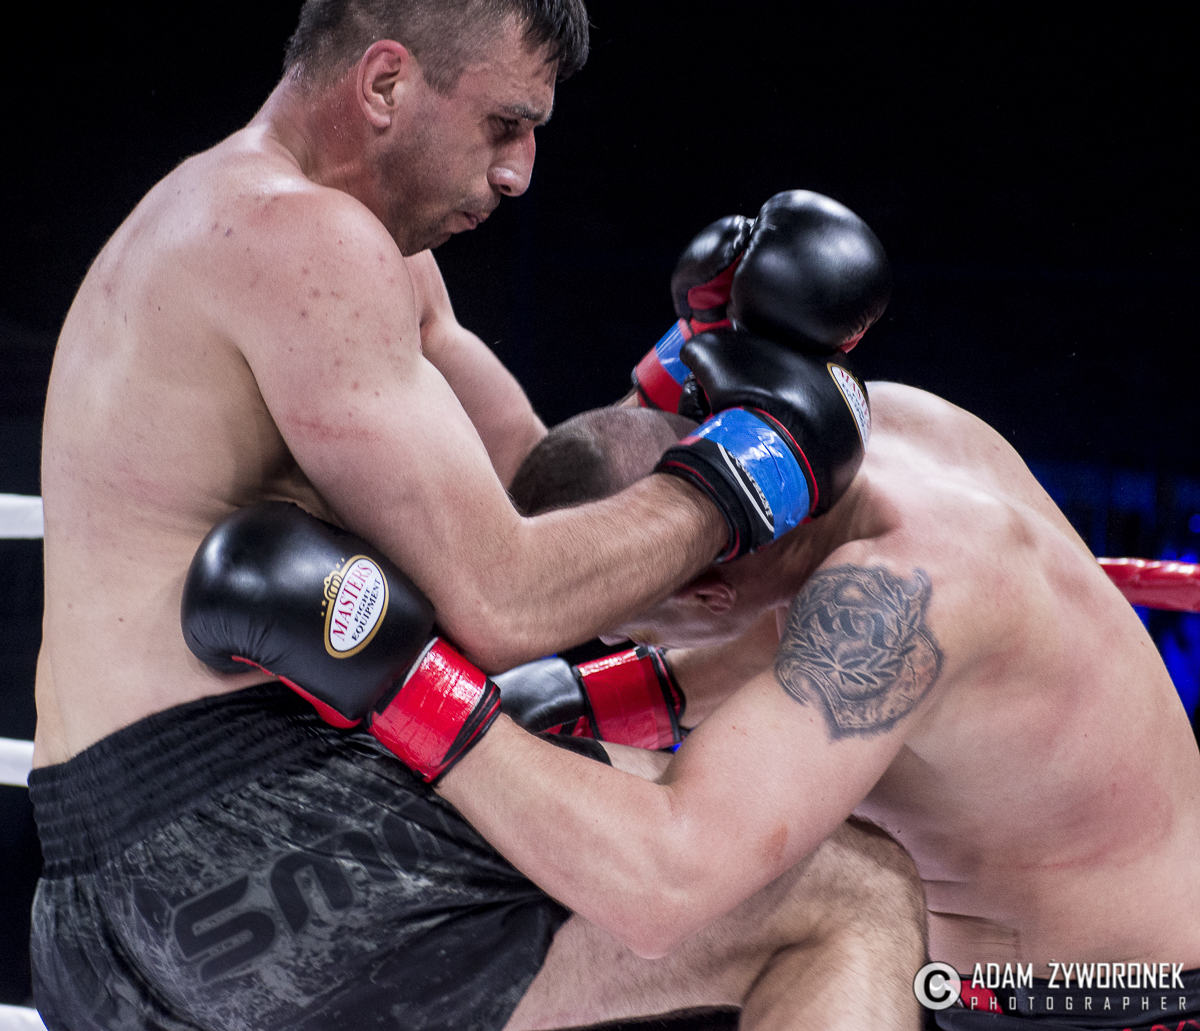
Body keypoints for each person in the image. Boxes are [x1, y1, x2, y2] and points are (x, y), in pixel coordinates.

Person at [27, 0, 923, 1028]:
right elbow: (505, 602)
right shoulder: (302, 239)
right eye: (505, 125)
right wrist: (759, 466)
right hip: (258, 841)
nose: (519, 174)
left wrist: (692, 370)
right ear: (386, 82)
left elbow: (546, 485)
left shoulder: (279, 233)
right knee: (850, 896)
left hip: (96, 906)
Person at [313, 386, 1200, 1029]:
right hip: (985, 991)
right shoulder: (877, 430)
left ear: (703, 595)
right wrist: (589, 695)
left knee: (800, 895)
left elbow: (667, 878)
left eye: (630, 633)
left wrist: (404, 683)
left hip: (1123, 1006)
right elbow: (782, 627)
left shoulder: (898, 595)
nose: (630, 651)